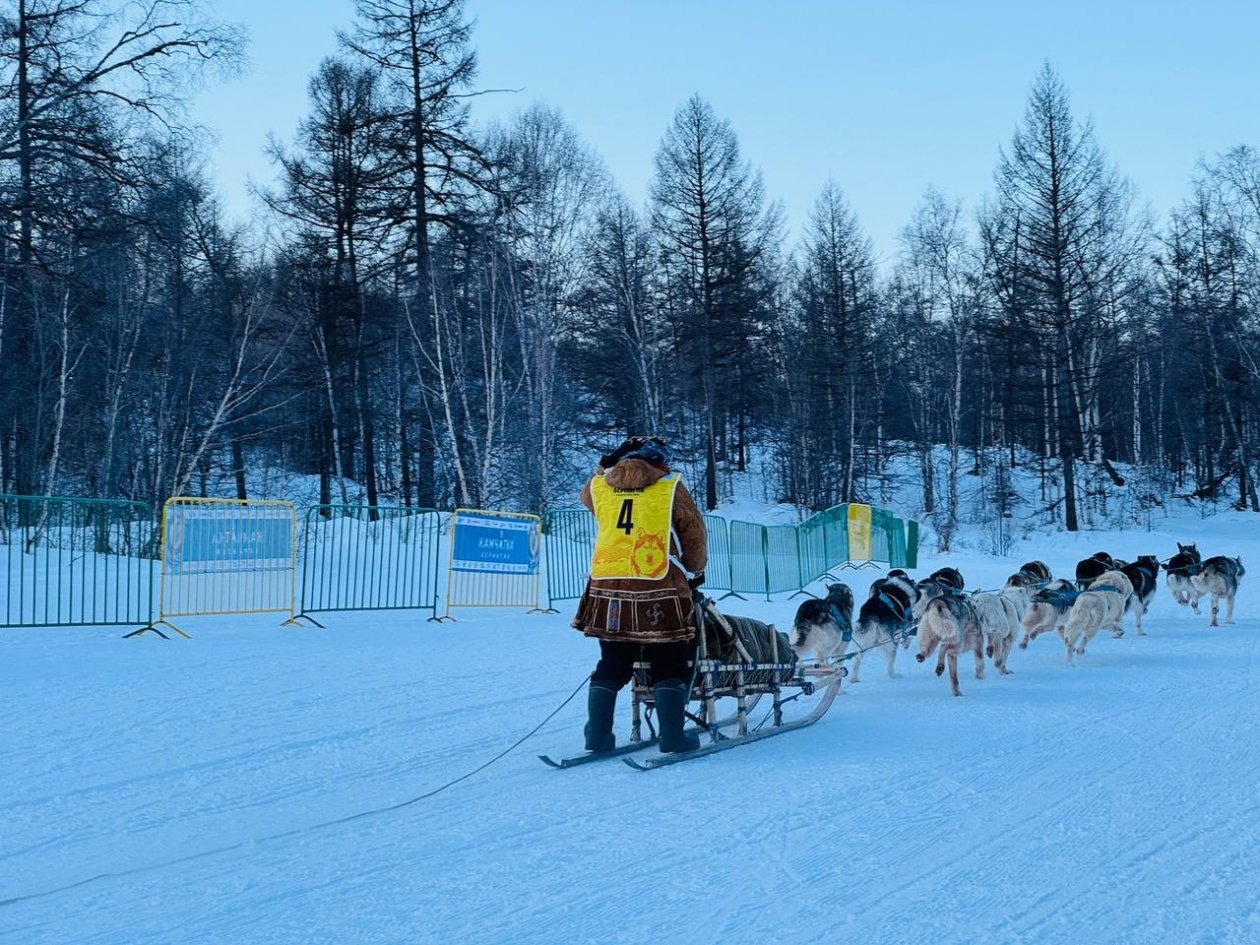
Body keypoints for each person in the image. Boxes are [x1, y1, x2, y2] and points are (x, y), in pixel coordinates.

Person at [572, 435, 708, 753]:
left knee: (613, 662)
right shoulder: (669, 487)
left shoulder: (599, 487)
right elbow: (693, 534)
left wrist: (607, 463)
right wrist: (694, 570)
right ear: (660, 462)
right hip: (658, 587)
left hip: (607, 590)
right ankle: (673, 735)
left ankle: (598, 735)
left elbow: (590, 488)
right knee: (668, 661)